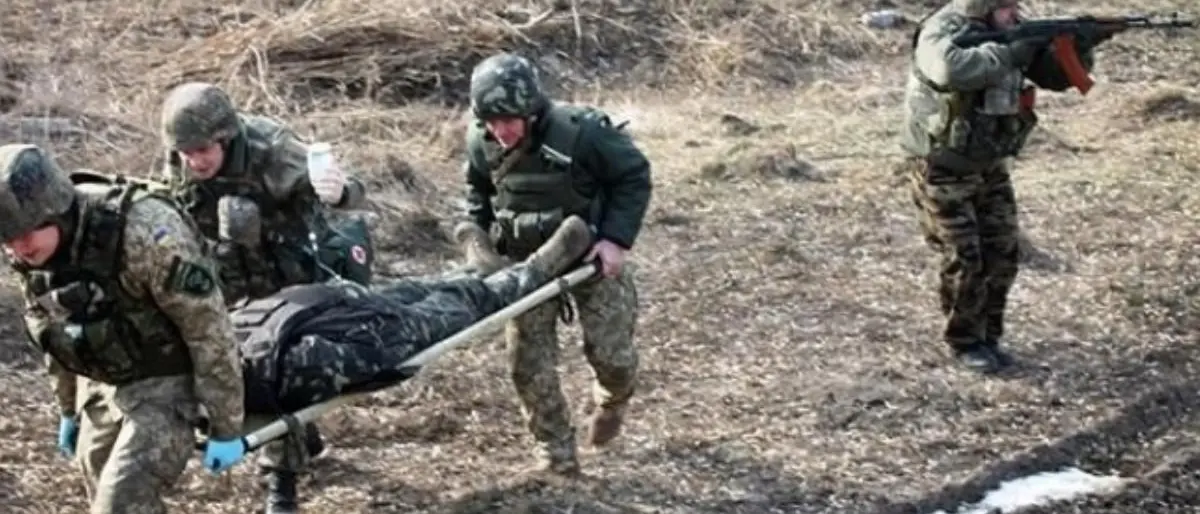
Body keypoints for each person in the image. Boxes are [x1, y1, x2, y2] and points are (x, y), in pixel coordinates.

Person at [156, 81, 372, 513]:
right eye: (187, 153)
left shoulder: (272, 151)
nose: (195, 161)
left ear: (225, 138)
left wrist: (339, 190)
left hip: (286, 268)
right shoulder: (178, 156)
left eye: (204, 151)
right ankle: (301, 434)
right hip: (229, 272)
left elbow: (350, 193)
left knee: (276, 367)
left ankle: (282, 484)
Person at [0, 143, 245, 513]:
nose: (18, 249)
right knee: (98, 479)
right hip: (105, 383)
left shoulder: (143, 230)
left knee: (118, 503)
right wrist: (68, 409)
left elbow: (207, 325)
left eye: (25, 234)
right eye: (7, 240)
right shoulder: (28, 252)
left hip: (168, 380)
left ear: (54, 211)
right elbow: (52, 330)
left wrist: (226, 424)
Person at [460, 52, 653, 475]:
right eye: (490, 121)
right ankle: (556, 450)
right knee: (527, 365)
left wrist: (615, 241)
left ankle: (612, 399)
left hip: (590, 260)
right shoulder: (483, 141)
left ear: (530, 109)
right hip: (526, 268)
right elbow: (477, 195)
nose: (499, 131)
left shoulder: (582, 134)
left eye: (508, 120)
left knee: (613, 357)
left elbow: (633, 175)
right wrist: (478, 242)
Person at [899, 0, 1110, 373]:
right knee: (965, 255)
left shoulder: (1008, 28)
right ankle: (965, 342)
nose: (1016, 13)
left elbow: (1056, 77)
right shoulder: (943, 28)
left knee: (1002, 251)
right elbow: (948, 69)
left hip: (990, 166)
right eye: (1007, 6)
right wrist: (1010, 52)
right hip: (942, 166)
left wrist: (1081, 44)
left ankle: (989, 337)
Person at [233, 216, 595, 423]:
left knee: (442, 296)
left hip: (345, 320)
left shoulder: (239, 365)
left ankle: (504, 269)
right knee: (448, 296)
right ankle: (507, 270)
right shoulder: (225, 339)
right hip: (339, 313)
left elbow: (350, 357)